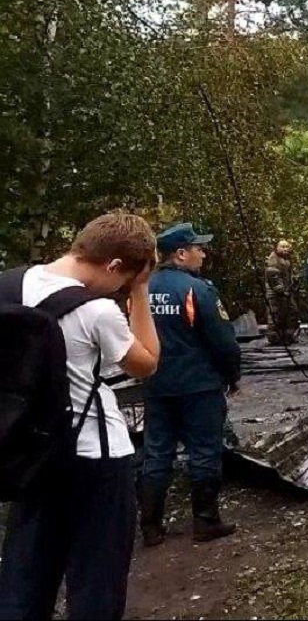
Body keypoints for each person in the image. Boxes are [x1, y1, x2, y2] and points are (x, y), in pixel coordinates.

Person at [0, 212, 160, 620]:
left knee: (25, 577)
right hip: (96, 458)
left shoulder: (8, 287)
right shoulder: (96, 311)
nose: (119, 289)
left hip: (28, 455)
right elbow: (146, 363)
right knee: (96, 581)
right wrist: (140, 291)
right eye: (123, 280)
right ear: (114, 265)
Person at [139, 223, 242, 547]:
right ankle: (206, 521)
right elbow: (223, 342)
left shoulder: (143, 289)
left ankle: (150, 526)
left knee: (156, 453)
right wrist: (232, 376)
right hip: (199, 386)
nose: (203, 254)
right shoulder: (197, 290)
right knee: (205, 451)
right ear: (181, 254)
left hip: (156, 384)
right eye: (198, 249)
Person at [264, 240, 297, 345]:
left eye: (287, 246)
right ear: (276, 248)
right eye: (282, 246)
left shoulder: (286, 258)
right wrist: (282, 290)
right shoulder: (273, 260)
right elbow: (274, 278)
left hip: (286, 291)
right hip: (275, 293)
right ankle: (274, 339)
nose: (285, 249)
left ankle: (287, 336)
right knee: (275, 316)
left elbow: (288, 275)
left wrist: (292, 284)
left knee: (291, 313)